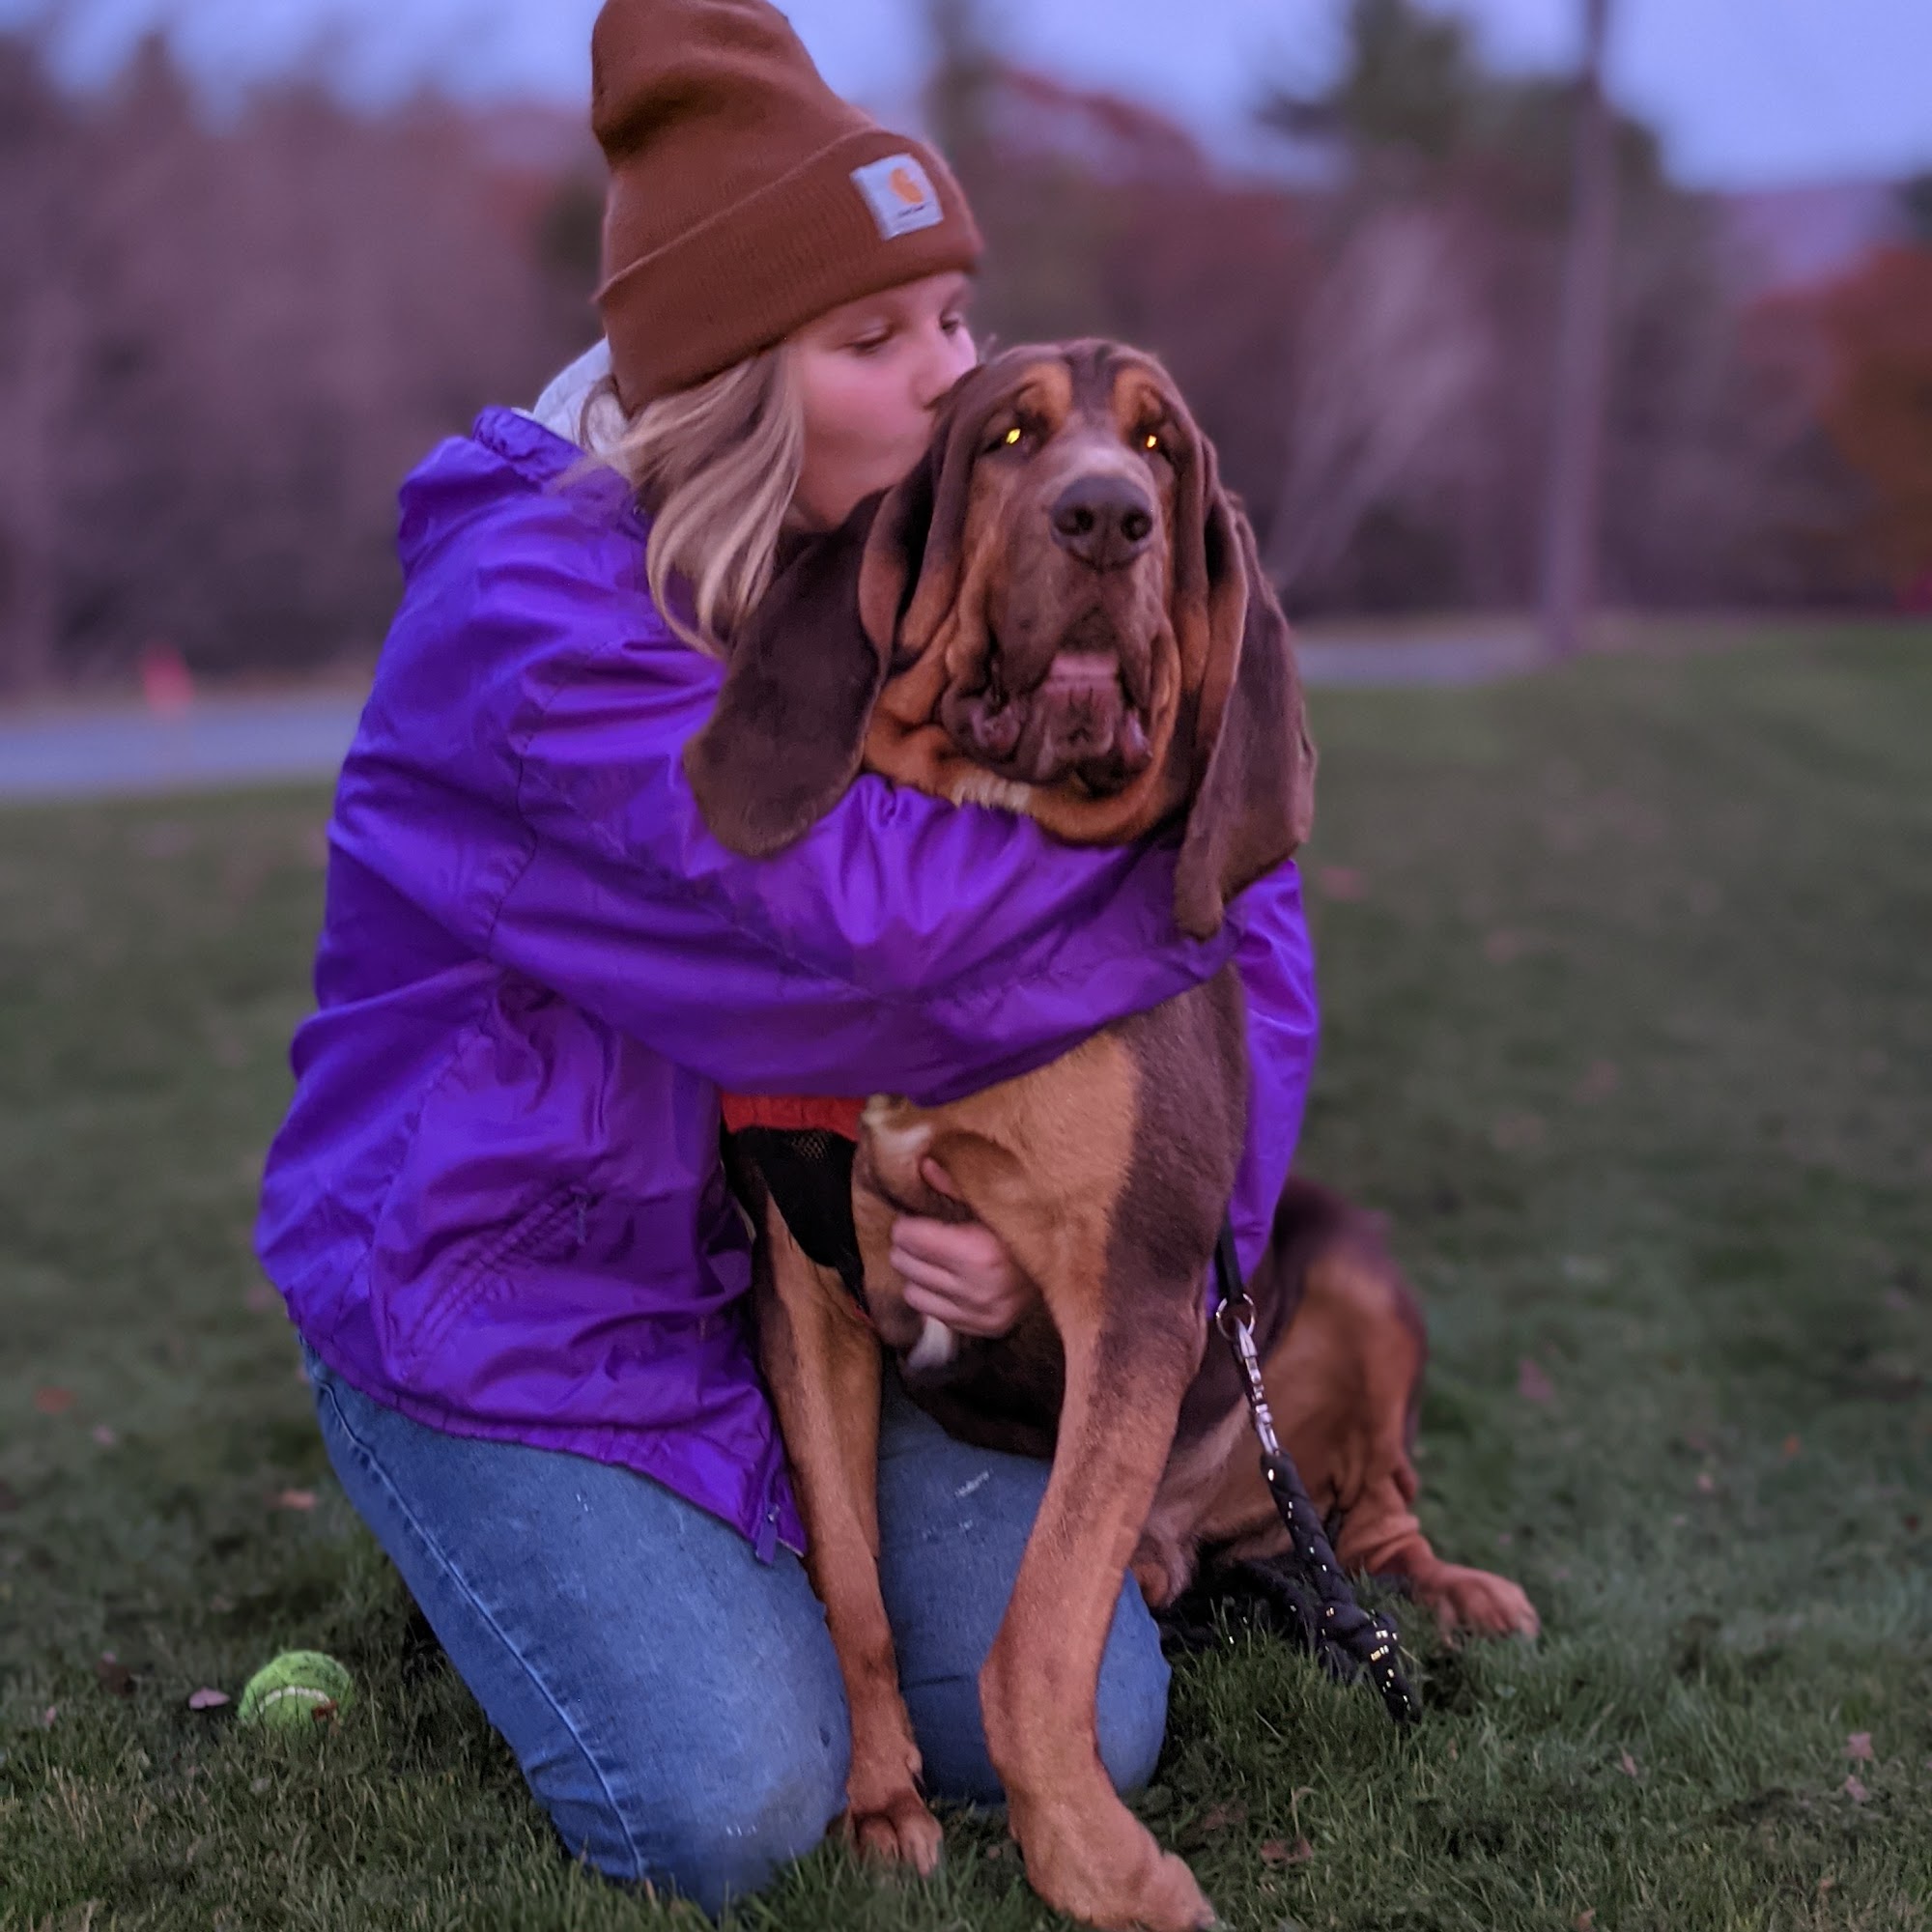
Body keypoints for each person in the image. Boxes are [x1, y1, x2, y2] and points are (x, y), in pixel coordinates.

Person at [255, 0, 1318, 1915]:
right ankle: (500, 1560)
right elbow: (873, 928)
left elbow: (1249, 921)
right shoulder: (531, 624)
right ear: (740, 384)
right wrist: (1173, 817)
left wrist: (1118, 1232)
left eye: (951, 316)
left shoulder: (888, 559)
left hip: (791, 1287)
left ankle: (679, 1581)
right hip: (505, 1318)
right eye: (873, 339)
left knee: (1089, 1724)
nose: (951, 376)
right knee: (738, 1790)